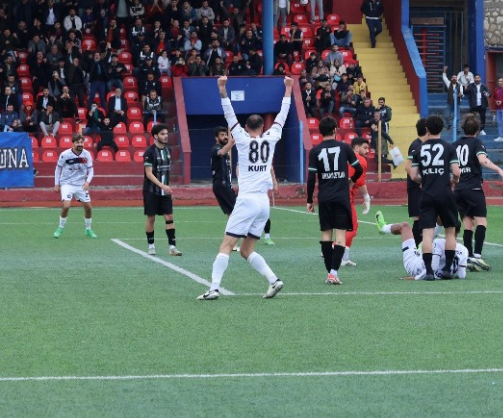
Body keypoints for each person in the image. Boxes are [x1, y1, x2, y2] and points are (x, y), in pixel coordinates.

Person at [197, 75, 293, 300]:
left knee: (226, 246)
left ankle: (214, 289)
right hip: (263, 204)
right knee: (246, 250)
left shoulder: (240, 137)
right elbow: (282, 114)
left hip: (247, 199)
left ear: (246, 126)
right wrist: (288, 89)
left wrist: (222, 89)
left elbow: (229, 113)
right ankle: (274, 280)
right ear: (262, 127)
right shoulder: (272, 136)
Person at [306, 117, 364, 284]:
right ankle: (333, 272)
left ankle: (330, 272)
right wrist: (351, 180)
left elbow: (311, 178)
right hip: (341, 196)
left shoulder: (315, 151)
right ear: (335, 130)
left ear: (320, 132)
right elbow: (358, 168)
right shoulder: (345, 147)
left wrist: (309, 199)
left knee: (325, 234)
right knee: (340, 236)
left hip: (324, 197)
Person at [453, 113, 503, 269]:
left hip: (459, 189)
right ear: (477, 130)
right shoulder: (477, 143)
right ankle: (477, 255)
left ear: (463, 129)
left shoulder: (455, 144)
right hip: (473, 187)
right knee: (481, 221)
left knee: (467, 223)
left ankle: (468, 256)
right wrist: (499, 169)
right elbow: (483, 160)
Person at [408, 114, 461, 281]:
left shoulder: (419, 149)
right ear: (442, 129)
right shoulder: (448, 147)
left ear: (427, 129)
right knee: (450, 231)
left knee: (427, 233)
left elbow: (413, 174)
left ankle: (429, 271)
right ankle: (446, 269)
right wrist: (454, 181)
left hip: (427, 194)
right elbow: (457, 171)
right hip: (445, 193)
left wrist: (424, 180)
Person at [373, 215, 469, 280]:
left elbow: (432, 267)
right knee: (427, 244)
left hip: (415, 265)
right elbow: (462, 275)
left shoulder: (439, 243)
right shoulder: (464, 250)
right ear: (459, 231)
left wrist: (416, 277)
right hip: (429, 264)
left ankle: (383, 228)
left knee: (404, 226)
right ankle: (421, 247)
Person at [143, 123, 182, 257]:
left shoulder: (168, 150)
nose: (166, 136)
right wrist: (162, 186)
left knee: (169, 217)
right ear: (155, 136)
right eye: (163, 134)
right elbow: (149, 173)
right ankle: (151, 246)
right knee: (151, 218)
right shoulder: (149, 152)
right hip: (151, 190)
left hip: (164, 190)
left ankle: (172, 247)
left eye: (166, 134)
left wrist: (167, 187)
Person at [53, 134, 97, 239]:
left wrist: (87, 182)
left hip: (80, 184)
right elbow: (58, 169)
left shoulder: (87, 155)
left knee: (88, 208)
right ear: (73, 143)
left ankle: (88, 229)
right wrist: (56, 184)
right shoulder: (65, 155)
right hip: (67, 183)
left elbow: (91, 170)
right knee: (66, 206)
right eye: (77, 142)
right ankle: (60, 227)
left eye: (81, 142)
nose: (80, 144)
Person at [341, 136, 370, 267]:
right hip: (345, 197)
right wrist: (367, 197)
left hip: (332, 194)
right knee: (352, 229)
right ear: (357, 148)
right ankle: (332, 246)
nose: (368, 151)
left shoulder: (342, 155)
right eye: (365, 147)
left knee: (345, 227)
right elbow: (359, 181)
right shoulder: (360, 160)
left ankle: (344, 258)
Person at [404, 118, 428, 245]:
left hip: (424, 188)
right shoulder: (416, 145)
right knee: (419, 218)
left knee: (427, 218)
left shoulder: (425, 145)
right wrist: (421, 180)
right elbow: (408, 168)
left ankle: (423, 245)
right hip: (416, 187)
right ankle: (416, 247)